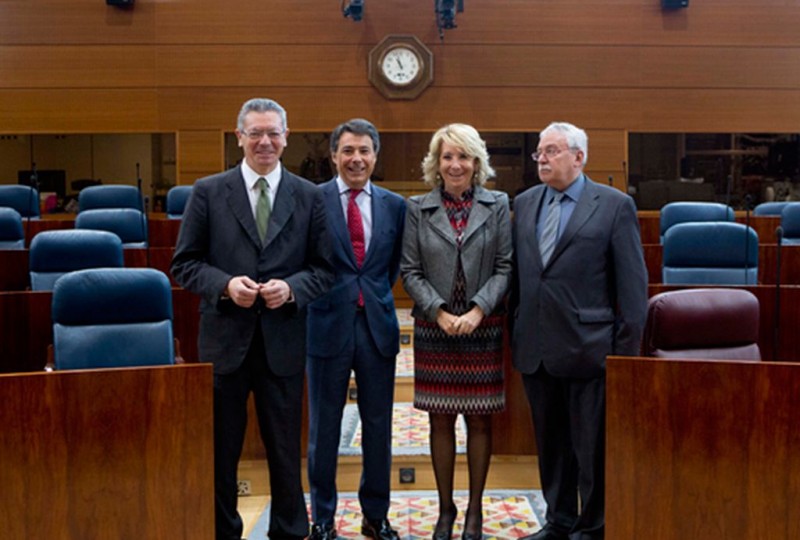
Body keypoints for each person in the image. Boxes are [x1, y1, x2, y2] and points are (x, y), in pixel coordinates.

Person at [171, 97, 334, 540]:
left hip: (282, 343)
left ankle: (289, 531)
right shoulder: (207, 191)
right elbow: (184, 264)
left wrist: (293, 289)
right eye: (255, 133)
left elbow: (325, 268)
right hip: (225, 343)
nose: (265, 141)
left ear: (286, 137)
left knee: (285, 450)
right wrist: (225, 286)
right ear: (239, 137)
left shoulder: (309, 195)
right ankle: (224, 532)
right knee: (221, 451)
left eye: (273, 133)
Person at [510, 122, 648, 540]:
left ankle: (593, 527)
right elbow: (520, 276)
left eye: (552, 151)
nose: (542, 159)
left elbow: (633, 289)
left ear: (579, 156)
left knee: (591, 450)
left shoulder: (613, 205)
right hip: (537, 347)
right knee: (551, 447)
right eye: (539, 152)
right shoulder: (526, 202)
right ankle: (558, 521)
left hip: (591, 350)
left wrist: (623, 357)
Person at [400, 123, 512, 540]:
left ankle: (475, 513)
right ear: (436, 163)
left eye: (463, 156)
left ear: (476, 162)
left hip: (484, 327)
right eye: (447, 156)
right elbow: (409, 271)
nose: (455, 164)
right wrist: (440, 311)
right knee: (440, 421)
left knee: (480, 424)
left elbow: (505, 266)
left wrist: (480, 309)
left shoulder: (498, 203)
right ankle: (445, 509)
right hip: (436, 328)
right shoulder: (418, 207)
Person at [306, 119, 406, 540]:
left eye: (364, 150)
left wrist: (374, 297)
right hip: (327, 324)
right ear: (334, 156)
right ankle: (323, 518)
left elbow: (392, 265)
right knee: (324, 428)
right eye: (347, 150)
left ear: (375, 156)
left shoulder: (395, 205)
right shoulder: (312, 201)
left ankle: (375, 515)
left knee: (378, 427)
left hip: (377, 327)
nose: (356, 159)